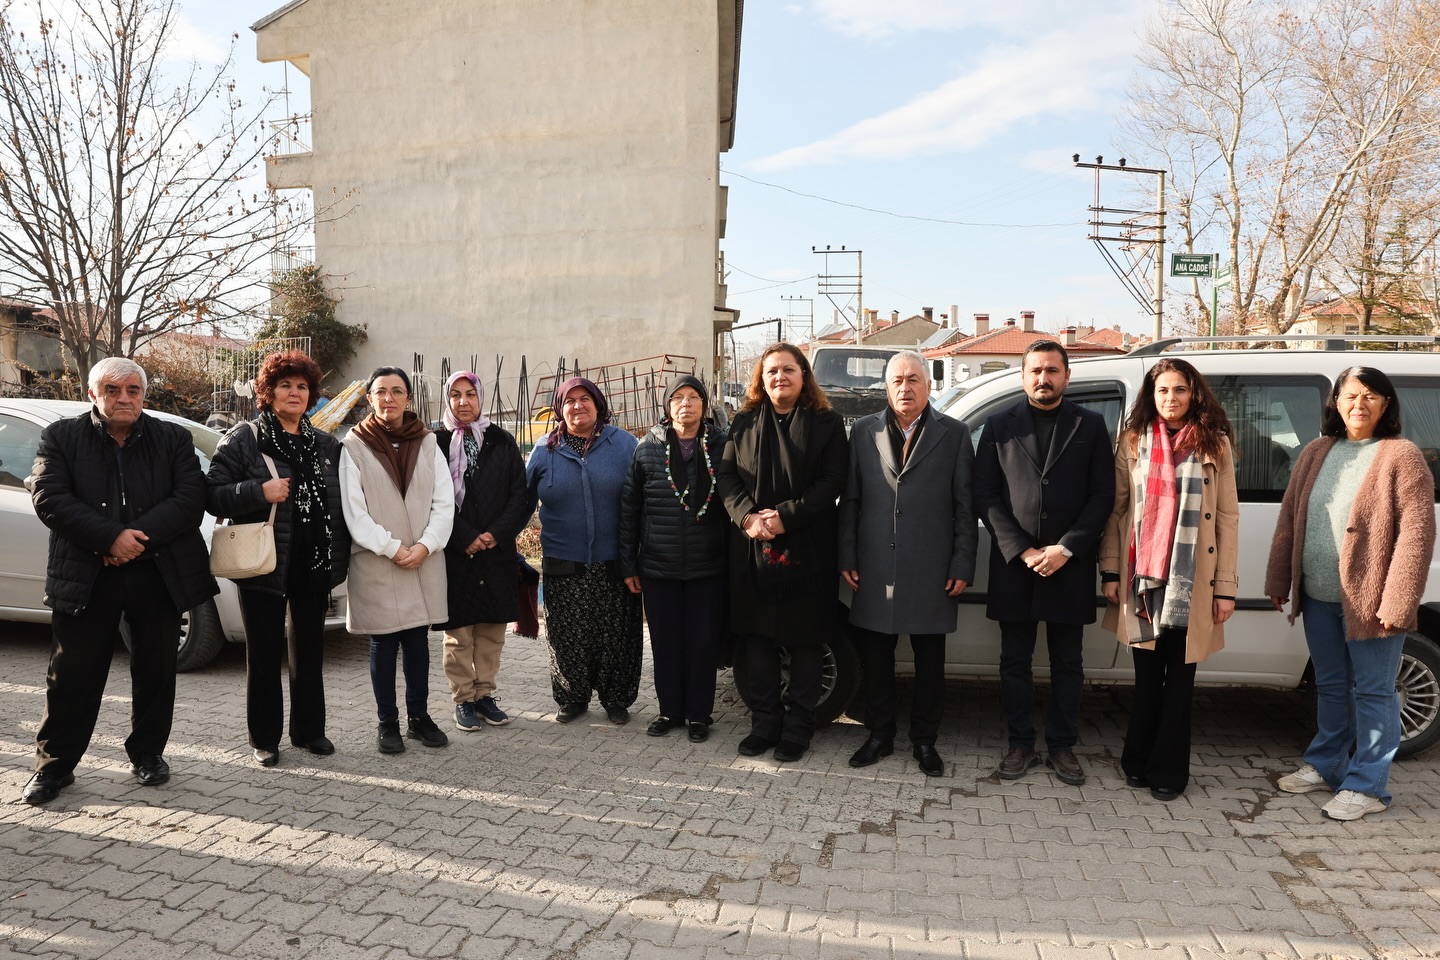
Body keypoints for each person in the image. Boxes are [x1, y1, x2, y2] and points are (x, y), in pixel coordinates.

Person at [22, 358, 217, 804]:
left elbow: (190, 498)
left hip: (157, 572)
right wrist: (109, 538)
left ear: (143, 395)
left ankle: (148, 754)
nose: (124, 398)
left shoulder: (172, 438)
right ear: (93, 394)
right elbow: (48, 495)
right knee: (71, 674)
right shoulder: (61, 436)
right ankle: (54, 767)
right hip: (87, 573)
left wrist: (132, 541)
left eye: (133, 390)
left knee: (156, 669)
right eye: (112, 390)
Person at [1265, 366, 1435, 821]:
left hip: (1372, 603)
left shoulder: (1401, 455)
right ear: (1336, 403)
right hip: (1319, 595)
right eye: (1350, 395)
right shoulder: (1316, 451)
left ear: (1386, 404)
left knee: (1375, 692)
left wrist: (1398, 601)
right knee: (1331, 685)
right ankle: (1327, 764)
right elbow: (1289, 520)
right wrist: (1279, 579)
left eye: (1370, 396)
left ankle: (1368, 786)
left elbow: (1417, 536)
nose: (1359, 404)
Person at [973, 339, 1114, 786]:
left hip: (1069, 567)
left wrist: (1066, 548)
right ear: (1023, 376)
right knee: (1014, 661)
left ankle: (1062, 746)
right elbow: (985, 495)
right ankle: (1020, 743)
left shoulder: (1091, 425)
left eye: (1052, 370)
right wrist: (1023, 549)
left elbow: (1102, 496)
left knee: (1068, 662)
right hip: (1016, 566)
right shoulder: (998, 425)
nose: (1043, 378)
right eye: (1035, 370)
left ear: (1067, 376)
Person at [1100, 359, 1239, 801]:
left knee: (1180, 683)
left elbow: (1228, 518)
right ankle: (1136, 761)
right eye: (1162, 390)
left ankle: (1169, 772)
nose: (1171, 398)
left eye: (1179, 389)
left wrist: (1225, 587)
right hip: (1143, 580)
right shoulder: (1132, 441)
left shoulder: (1215, 443)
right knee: (1146, 679)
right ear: (1151, 395)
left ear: (1193, 393)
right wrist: (1110, 571)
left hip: (1193, 582)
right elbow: (1117, 510)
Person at [206, 350, 352, 767]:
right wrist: (258, 491)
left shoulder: (325, 444)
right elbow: (211, 494)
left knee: (309, 652)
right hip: (264, 563)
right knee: (265, 655)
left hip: (313, 562)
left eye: (302, 386)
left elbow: (341, 504)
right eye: (285, 385)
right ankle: (265, 738)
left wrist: (338, 559)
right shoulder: (245, 438)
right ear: (267, 393)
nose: (294, 393)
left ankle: (309, 732)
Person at [839, 351, 976, 778]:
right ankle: (880, 735)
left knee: (929, 663)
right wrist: (847, 555)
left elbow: (965, 506)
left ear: (929, 386)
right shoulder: (864, 431)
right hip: (875, 565)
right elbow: (851, 500)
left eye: (913, 379)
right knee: (877, 660)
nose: (905, 387)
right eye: (897, 380)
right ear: (886, 388)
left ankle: (925, 741)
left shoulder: (954, 434)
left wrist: (962, 564)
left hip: (931, 570)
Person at [716, 343, 848, 763]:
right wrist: (747, 517)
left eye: (788, 369)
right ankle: (765, 724)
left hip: (809, 547)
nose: (780, 377)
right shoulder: (743, 422)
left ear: (803, 375)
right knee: (756, 641)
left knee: (805, 641)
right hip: (753, 548)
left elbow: (832, 482)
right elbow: (726, 477)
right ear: (761, 379)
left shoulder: (828, 423)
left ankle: (798, 728)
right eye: (771, 371)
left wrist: (787, 517)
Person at [340, 366, 454, 753]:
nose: (389, 398)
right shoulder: (354, 445)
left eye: (397, 391)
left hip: (423, 559)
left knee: (418, 642)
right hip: (378, 560)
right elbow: (354, 512)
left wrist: (425, 545)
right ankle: (387, 723)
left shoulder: (427, 442)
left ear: (408, 398)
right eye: (381, 391)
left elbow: (444, 503)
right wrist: (392, 548)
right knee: (384, 642)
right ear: (369, 399)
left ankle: (419, 718)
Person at [525, 376, 642, 725]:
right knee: (567, 635)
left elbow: (644, 500)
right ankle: (572, 697)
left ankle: (616, 699)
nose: (577, 406)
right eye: (569, 401)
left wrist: (639, 555)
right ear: (560, 408)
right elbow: (521, 501)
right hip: (564, 558)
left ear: (598, 404)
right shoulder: (545, 449)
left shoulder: (624, 444)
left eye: (584, 399)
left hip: (615, 560)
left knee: (616, 635)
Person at [619, 374, 729, 743]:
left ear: (704, 405)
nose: (686, 404)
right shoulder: (647, 448)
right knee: (666, 644)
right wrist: (629, 564)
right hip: (659, 566)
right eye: (678, 398)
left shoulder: (722, 446)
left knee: (702, 644)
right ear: (667, 406)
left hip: (707, 566)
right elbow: (630, 509)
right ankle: (669, 711)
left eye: (693, 397)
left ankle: (699, 715)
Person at [433, 370, 529, 731]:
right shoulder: (436, 442)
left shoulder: (501, 440)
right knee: (459, 633)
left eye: (470, 394)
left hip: (495, 552)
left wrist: (494, 535)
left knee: (491, 631)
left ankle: (485, 694)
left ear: (480, 398)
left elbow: (519, 496)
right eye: (455, 395)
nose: (463, 402)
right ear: (447, 400)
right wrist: (465, 537)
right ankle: (463, 699)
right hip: (456, 552)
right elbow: (431, 497)